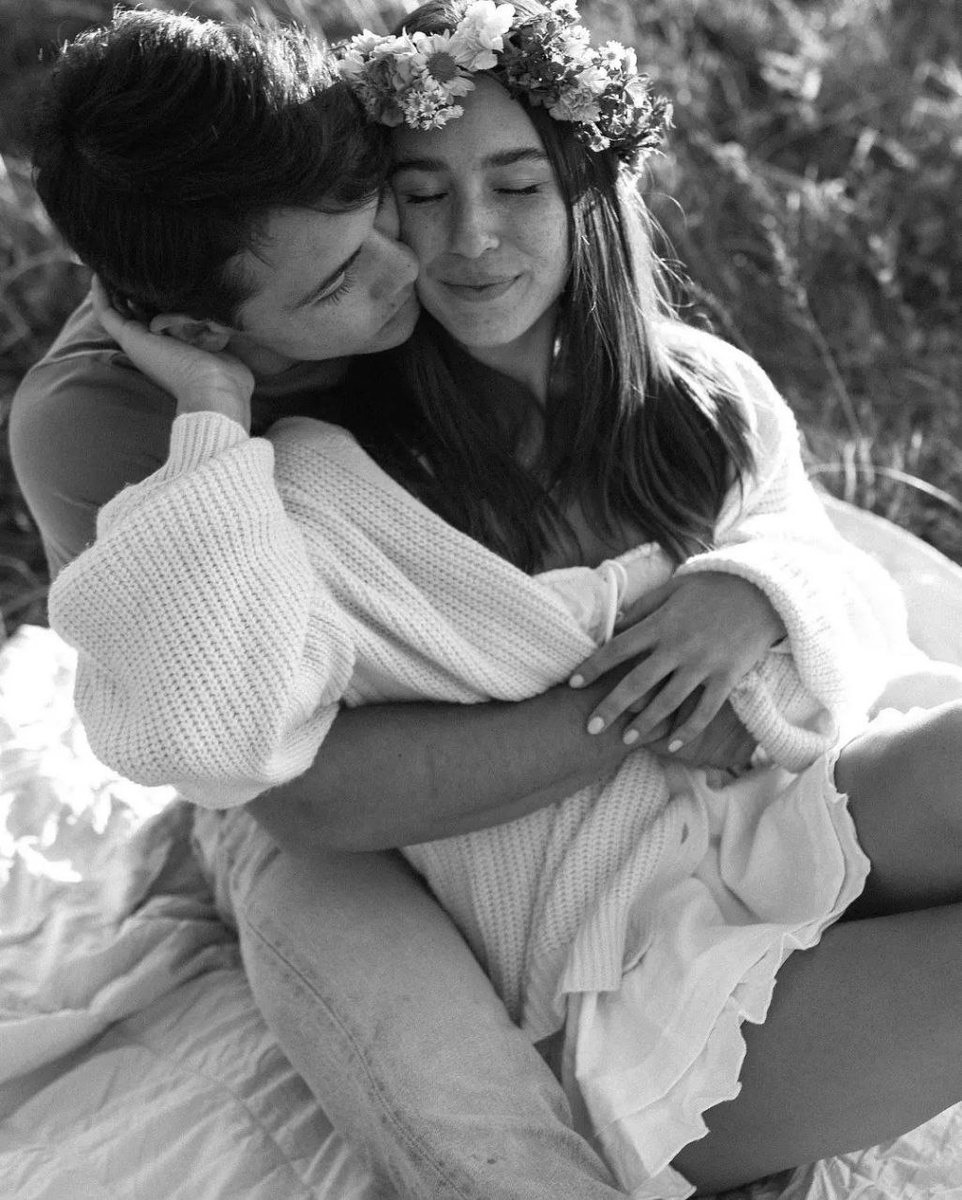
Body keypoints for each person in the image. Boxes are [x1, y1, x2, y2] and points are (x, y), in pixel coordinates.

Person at [45, 1, 962, 1195]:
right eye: (420, 195)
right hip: (632, 964)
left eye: (518, 186)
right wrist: (212, 408)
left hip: (791, 810)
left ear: (590, 193)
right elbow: (235, 747)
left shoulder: (702, 393)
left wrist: (752, 592)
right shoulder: (298, 491)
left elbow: (813, 547)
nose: (463, 241)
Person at [8, 9, 685, 1198]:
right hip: (298, 765)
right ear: (199, 329)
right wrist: (214, 413)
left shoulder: (388, 194)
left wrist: (741, 597)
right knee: (457, 1110)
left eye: (381, 206)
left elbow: (664, 403)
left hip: (509, 662)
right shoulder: (101, 420)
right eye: (338, 279)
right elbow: (292, 780)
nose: (410, 263)